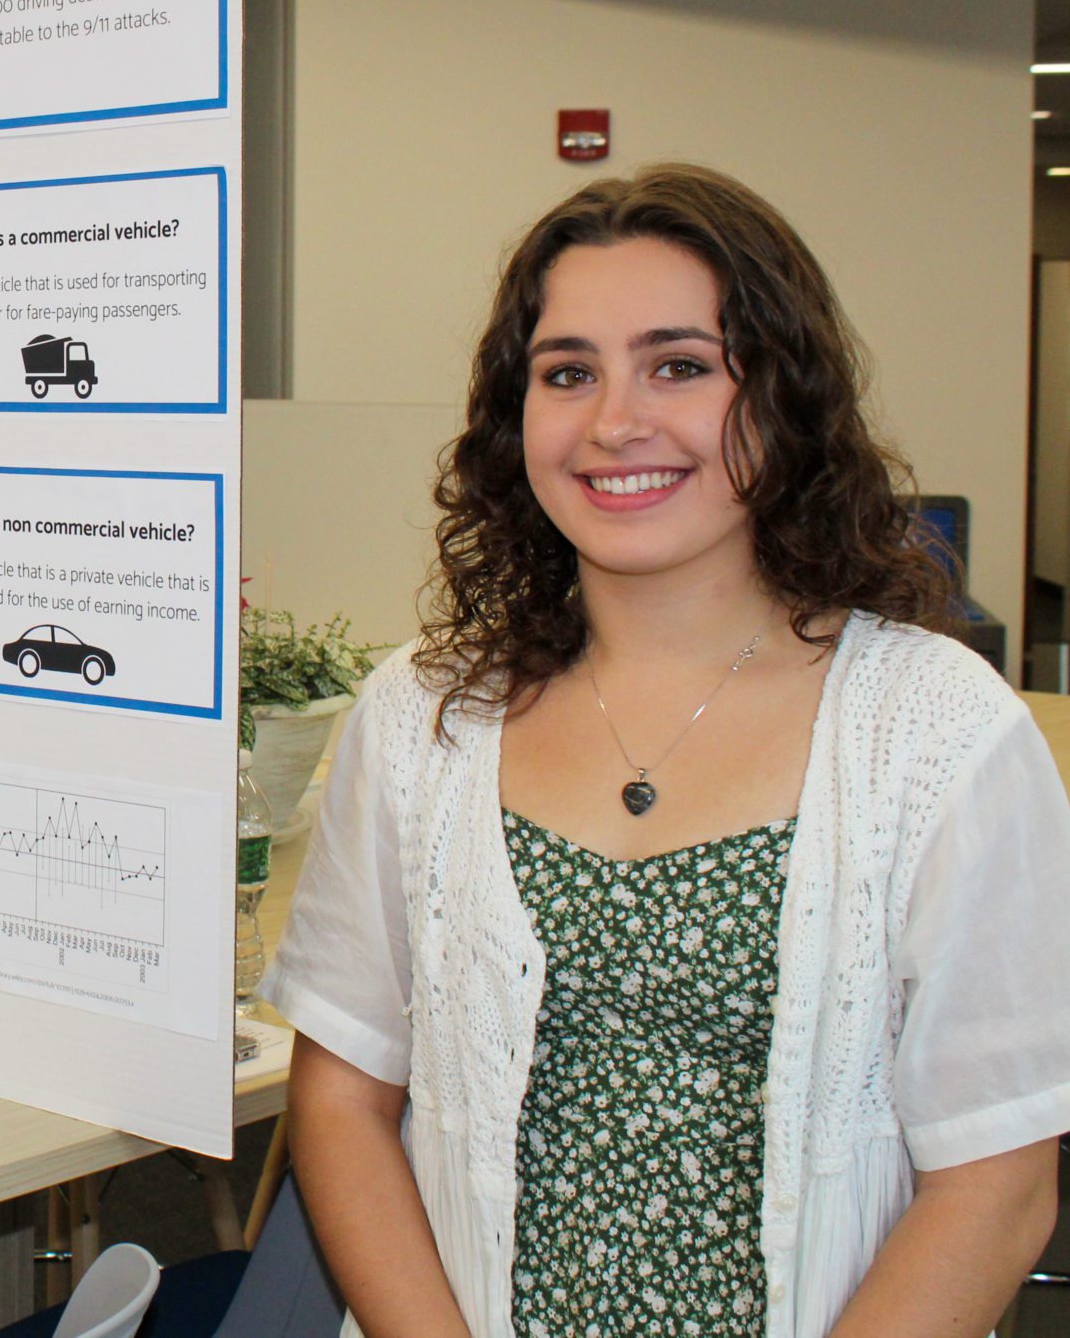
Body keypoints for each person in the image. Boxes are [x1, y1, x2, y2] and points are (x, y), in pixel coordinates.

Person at [261, 163, 1070, 1336]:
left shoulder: (939, 729)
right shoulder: (422, 712)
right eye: (567, 373)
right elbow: (340, 1094)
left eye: (678, 366)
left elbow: (996, 1182)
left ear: (782, 399)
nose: (613, 422)